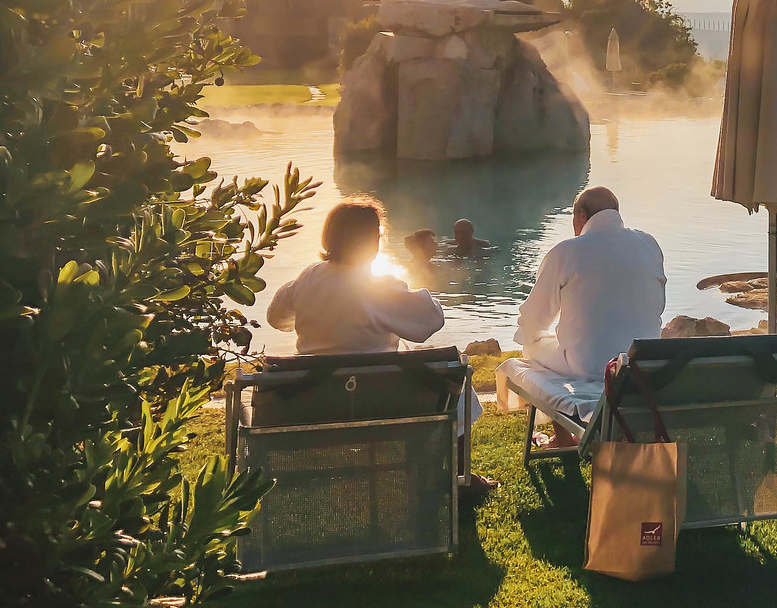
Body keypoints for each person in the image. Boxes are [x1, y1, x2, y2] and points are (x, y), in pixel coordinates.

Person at [267, 200, 498, 496]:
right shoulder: (376, 286)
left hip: (314, 403)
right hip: (380, 403)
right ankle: (459, 476)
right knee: (459, 382)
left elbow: (276, 317)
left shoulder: (307, 278)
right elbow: (431, 319)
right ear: (371, 240)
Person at [512, 186, 667, 447]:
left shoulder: (566, 251)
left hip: (591, 365)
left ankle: (562, 437)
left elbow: (533, 322)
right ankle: (563, 436)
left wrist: (531, 335)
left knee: (532, 343)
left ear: (581, 215)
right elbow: (658, 307)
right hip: (640, 363)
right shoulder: (649, 244)